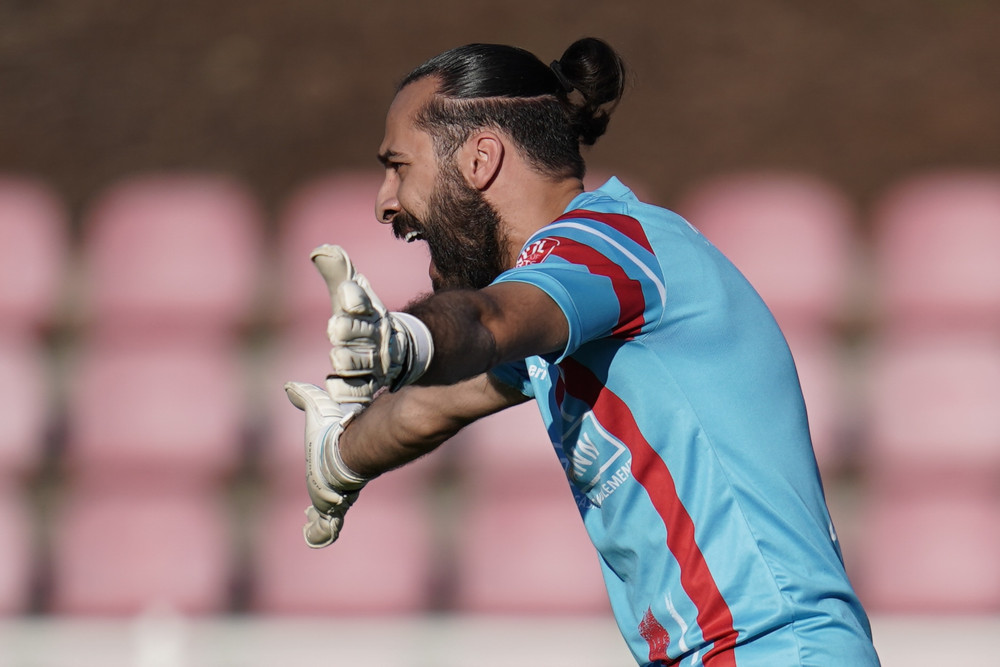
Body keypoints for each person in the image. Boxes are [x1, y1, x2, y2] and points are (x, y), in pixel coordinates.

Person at [284, 37, 881, 666]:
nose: (384, 202)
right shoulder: (574, 307)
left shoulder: (610, 244)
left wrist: (403, 338)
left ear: (481, 158)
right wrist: (338, 456)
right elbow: (426, 408)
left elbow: (487, 320)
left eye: (398, 166)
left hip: (775, 649)